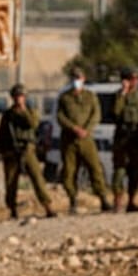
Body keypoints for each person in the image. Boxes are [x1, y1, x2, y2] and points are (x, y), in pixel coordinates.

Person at [0, 84, 55, 220]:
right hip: (12, 151)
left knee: (38, 179)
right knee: (11, 182)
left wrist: (23, 110)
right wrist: (3, 151)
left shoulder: (31, 112)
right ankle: (12, 210)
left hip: (28, 150)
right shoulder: (8, 115)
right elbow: (1, 135)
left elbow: (33, 124)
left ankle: (48, 206)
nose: (18, 99)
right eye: (16, 97)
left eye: (21, 97)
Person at [55, 66, 112, 214]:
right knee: (69, 171)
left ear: (83, 79)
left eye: (79, 78)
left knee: (95, 169)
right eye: (74, 78)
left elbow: (96, 114)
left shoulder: (90, 96)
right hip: (69, 139)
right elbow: (60, 117)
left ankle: (103, 198)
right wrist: (73, 128)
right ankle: (73, 200)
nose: (77, 81)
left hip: (87, 139)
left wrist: (86, 129)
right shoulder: (65, 98)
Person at [110, 66, 138, 213]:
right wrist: (123, 94)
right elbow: (115, 112)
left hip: (137, 137)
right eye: (132, 79)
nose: (135, 81)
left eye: (137, 78)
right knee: (120, 169)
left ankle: (132, 200)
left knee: (135, 170)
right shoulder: (119, 95)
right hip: (123, 137)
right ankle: (118, 200)